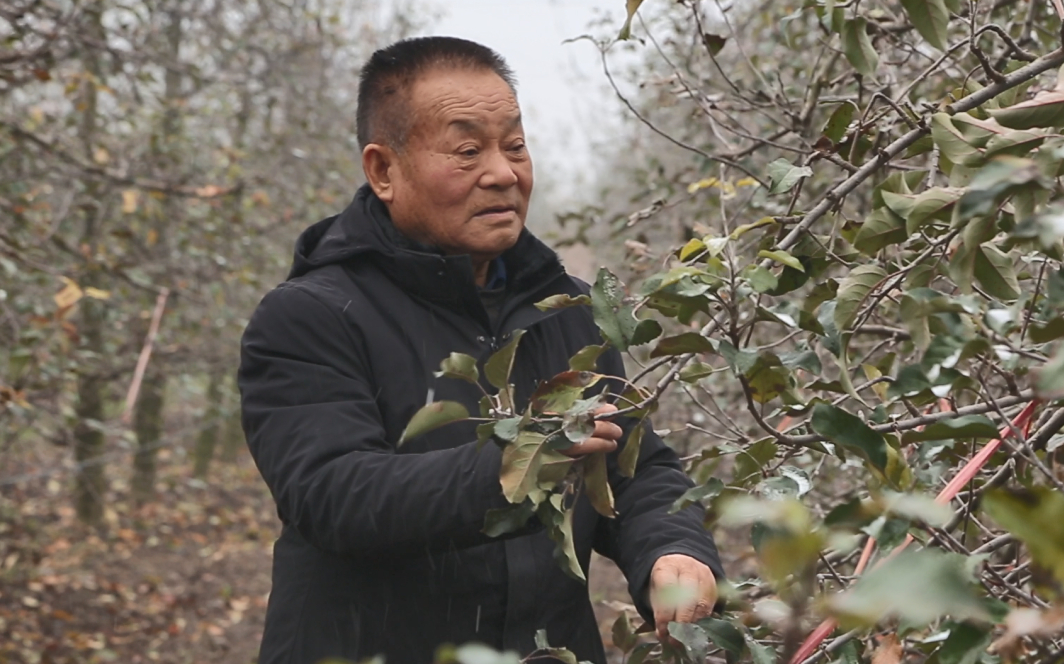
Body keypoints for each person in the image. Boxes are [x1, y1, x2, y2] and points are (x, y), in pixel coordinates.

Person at [238, 36, 722, 664]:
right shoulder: (309, 317)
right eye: (467, 151)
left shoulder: (568, 311)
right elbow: (335, 494)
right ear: (384, 170)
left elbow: (632, 466)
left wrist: (672, 547)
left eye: (514, 145)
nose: (502, 173)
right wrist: (517, 460)